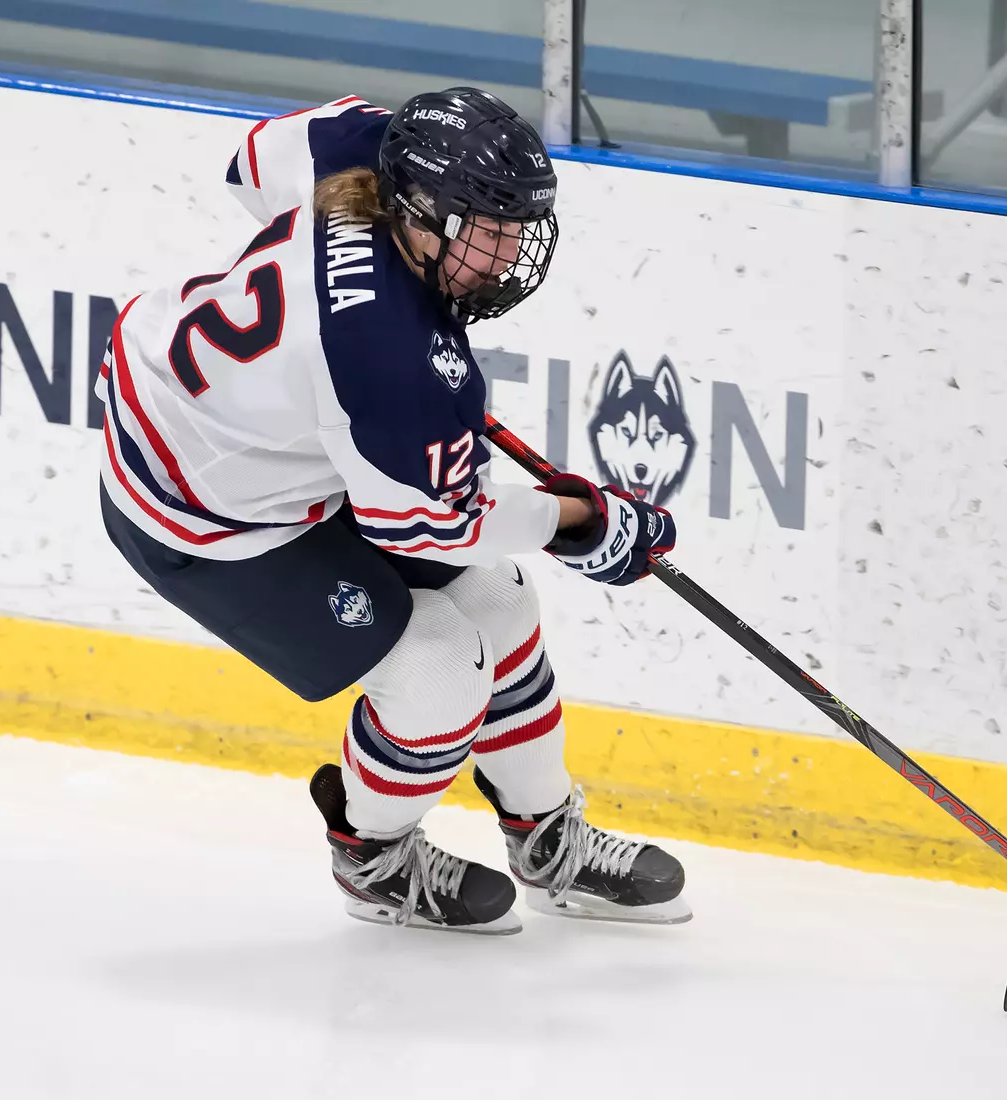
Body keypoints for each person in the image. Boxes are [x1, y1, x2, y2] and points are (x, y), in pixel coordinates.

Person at [94, 87, 688, 934]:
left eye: (518, 225)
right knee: (439, 665)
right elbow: (428, 524)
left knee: (499, 599)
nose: (512, 251)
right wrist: (580, 523)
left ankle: (547, 833)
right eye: (491, 228)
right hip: (197, 509)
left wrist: (332, 374)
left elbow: (253, 160)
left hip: (248, 427)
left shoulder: (369, 152)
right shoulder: (391, 362)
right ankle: (371, 857)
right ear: (424, 214)